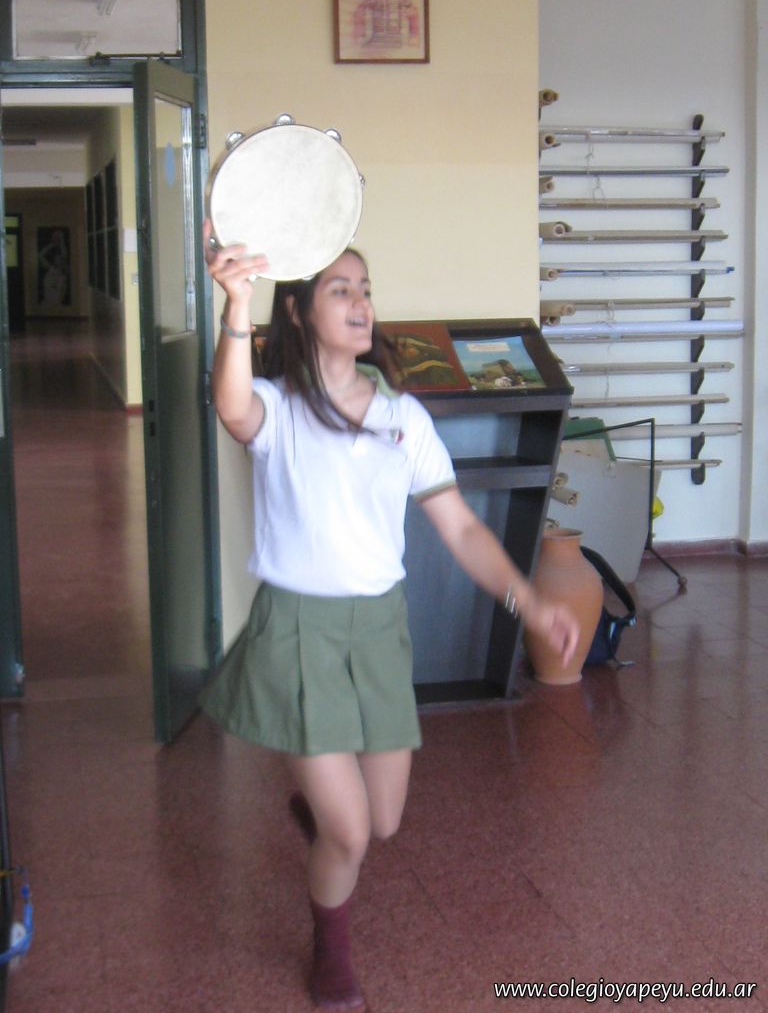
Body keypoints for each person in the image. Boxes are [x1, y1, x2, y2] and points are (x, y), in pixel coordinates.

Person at [200, 218, 579, 1011]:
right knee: (349, 834)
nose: (361, 303)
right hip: (297, 631)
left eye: (365, 289)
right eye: (340, 290)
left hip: (379, 630)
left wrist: (531, 599)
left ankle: (324, 813)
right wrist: (235, 304)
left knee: (385, 824)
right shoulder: (279, 407)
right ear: (299, 311)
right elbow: (231, 406)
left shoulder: (403, 416)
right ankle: (331, 954)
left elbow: (463, 529)